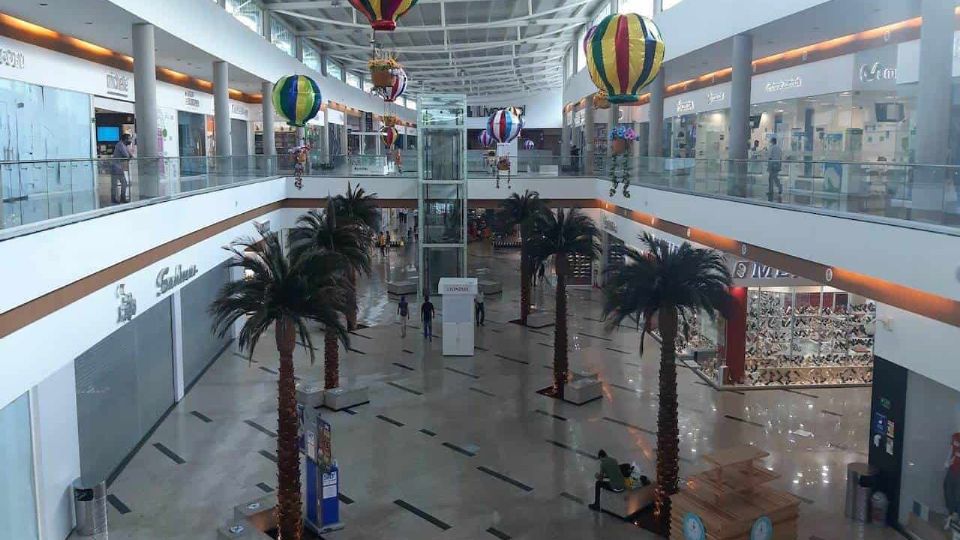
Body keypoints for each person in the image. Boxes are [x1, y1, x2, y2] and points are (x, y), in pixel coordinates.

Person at [111, 133, 134, 204]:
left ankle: (118, 198)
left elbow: (130, 155)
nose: (130, 141)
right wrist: (129, 156)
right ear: (125, 139)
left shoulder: (123, 145)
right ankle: (120, 198)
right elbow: (126, 155)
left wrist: (129, 155)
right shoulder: (120, 145)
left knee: (119, 183)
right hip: (116, 167)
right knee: (122, 183)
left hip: (118, 167)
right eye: (129, 139)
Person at [767, 137, 783, 201]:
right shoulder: (779, 148)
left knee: (771, 178)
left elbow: (770, 157)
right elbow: (780, 157)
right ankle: (778, 188)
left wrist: (769, 166)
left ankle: (772, 190)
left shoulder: (772, 147)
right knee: (774, 177)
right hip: (777, 164)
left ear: (772, 141)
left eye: (771, 141)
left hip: (772, 164)